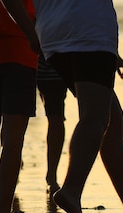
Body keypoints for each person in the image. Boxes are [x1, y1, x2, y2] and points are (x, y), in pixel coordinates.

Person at [2, 0, 123, 213]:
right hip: (88, 31)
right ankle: (71, 190)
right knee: (96, 117)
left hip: (54, 34)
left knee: (110, 120)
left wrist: (33, 33)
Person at [0, 0, 37, 213]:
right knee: (12, 142)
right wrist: (33, 35)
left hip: (19, 55)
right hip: (18, 55)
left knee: (11, 142)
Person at [37, 56, 68, 194]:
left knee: (55, 118)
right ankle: (13, 162)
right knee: (14, 117)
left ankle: (52, 175)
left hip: (55, 63)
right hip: (29, 60)